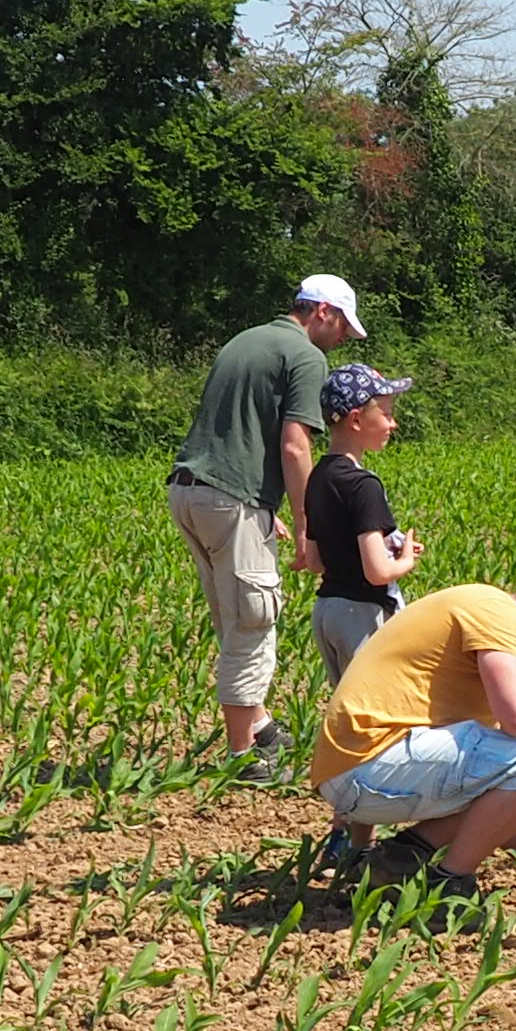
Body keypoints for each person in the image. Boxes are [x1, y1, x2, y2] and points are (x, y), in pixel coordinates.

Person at [306, 577, 516, 907]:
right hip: (370, 771)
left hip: (352, 773)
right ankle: (448, 884)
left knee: (512, 762)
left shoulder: (477, 610)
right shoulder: (502, 615)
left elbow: (496, 787)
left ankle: (396, 859)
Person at [169, 274, 360, 762]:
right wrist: (307, 525)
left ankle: (259, 726)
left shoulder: (246, 339)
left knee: (233, 614)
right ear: (322, 311)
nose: (343, 339)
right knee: (253, 620)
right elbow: (296, 445)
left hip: (192, 491)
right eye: (343, 327)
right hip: (230, 498)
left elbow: (236, 430)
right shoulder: (304, 356)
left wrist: (262, 507)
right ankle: (244, 756)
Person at [302, 362, 426, 678]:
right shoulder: (364, 485)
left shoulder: (318, 477)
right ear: (357, 419)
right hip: (361, 614)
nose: (393, 423)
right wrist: (406, 559)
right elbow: (378, 572)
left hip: (327, 613)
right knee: (373, 716)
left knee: (345, 714)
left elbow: (315, 561)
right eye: (386, 414)